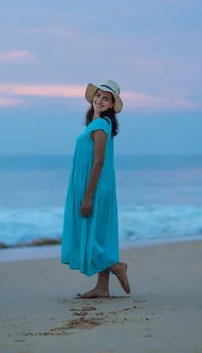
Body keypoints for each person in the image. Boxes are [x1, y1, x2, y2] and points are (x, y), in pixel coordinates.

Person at [61, 80, 130, 298]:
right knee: (96, 233)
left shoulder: (100, 127)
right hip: (92, 186)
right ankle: (102, 287)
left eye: (106, 98)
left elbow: (98, 162)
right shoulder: (96, 124)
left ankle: (116, 265)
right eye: (98, 96)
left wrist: (87, 197)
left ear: (111, 105)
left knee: (90, 233)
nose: (99, 100)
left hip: (95, 188)